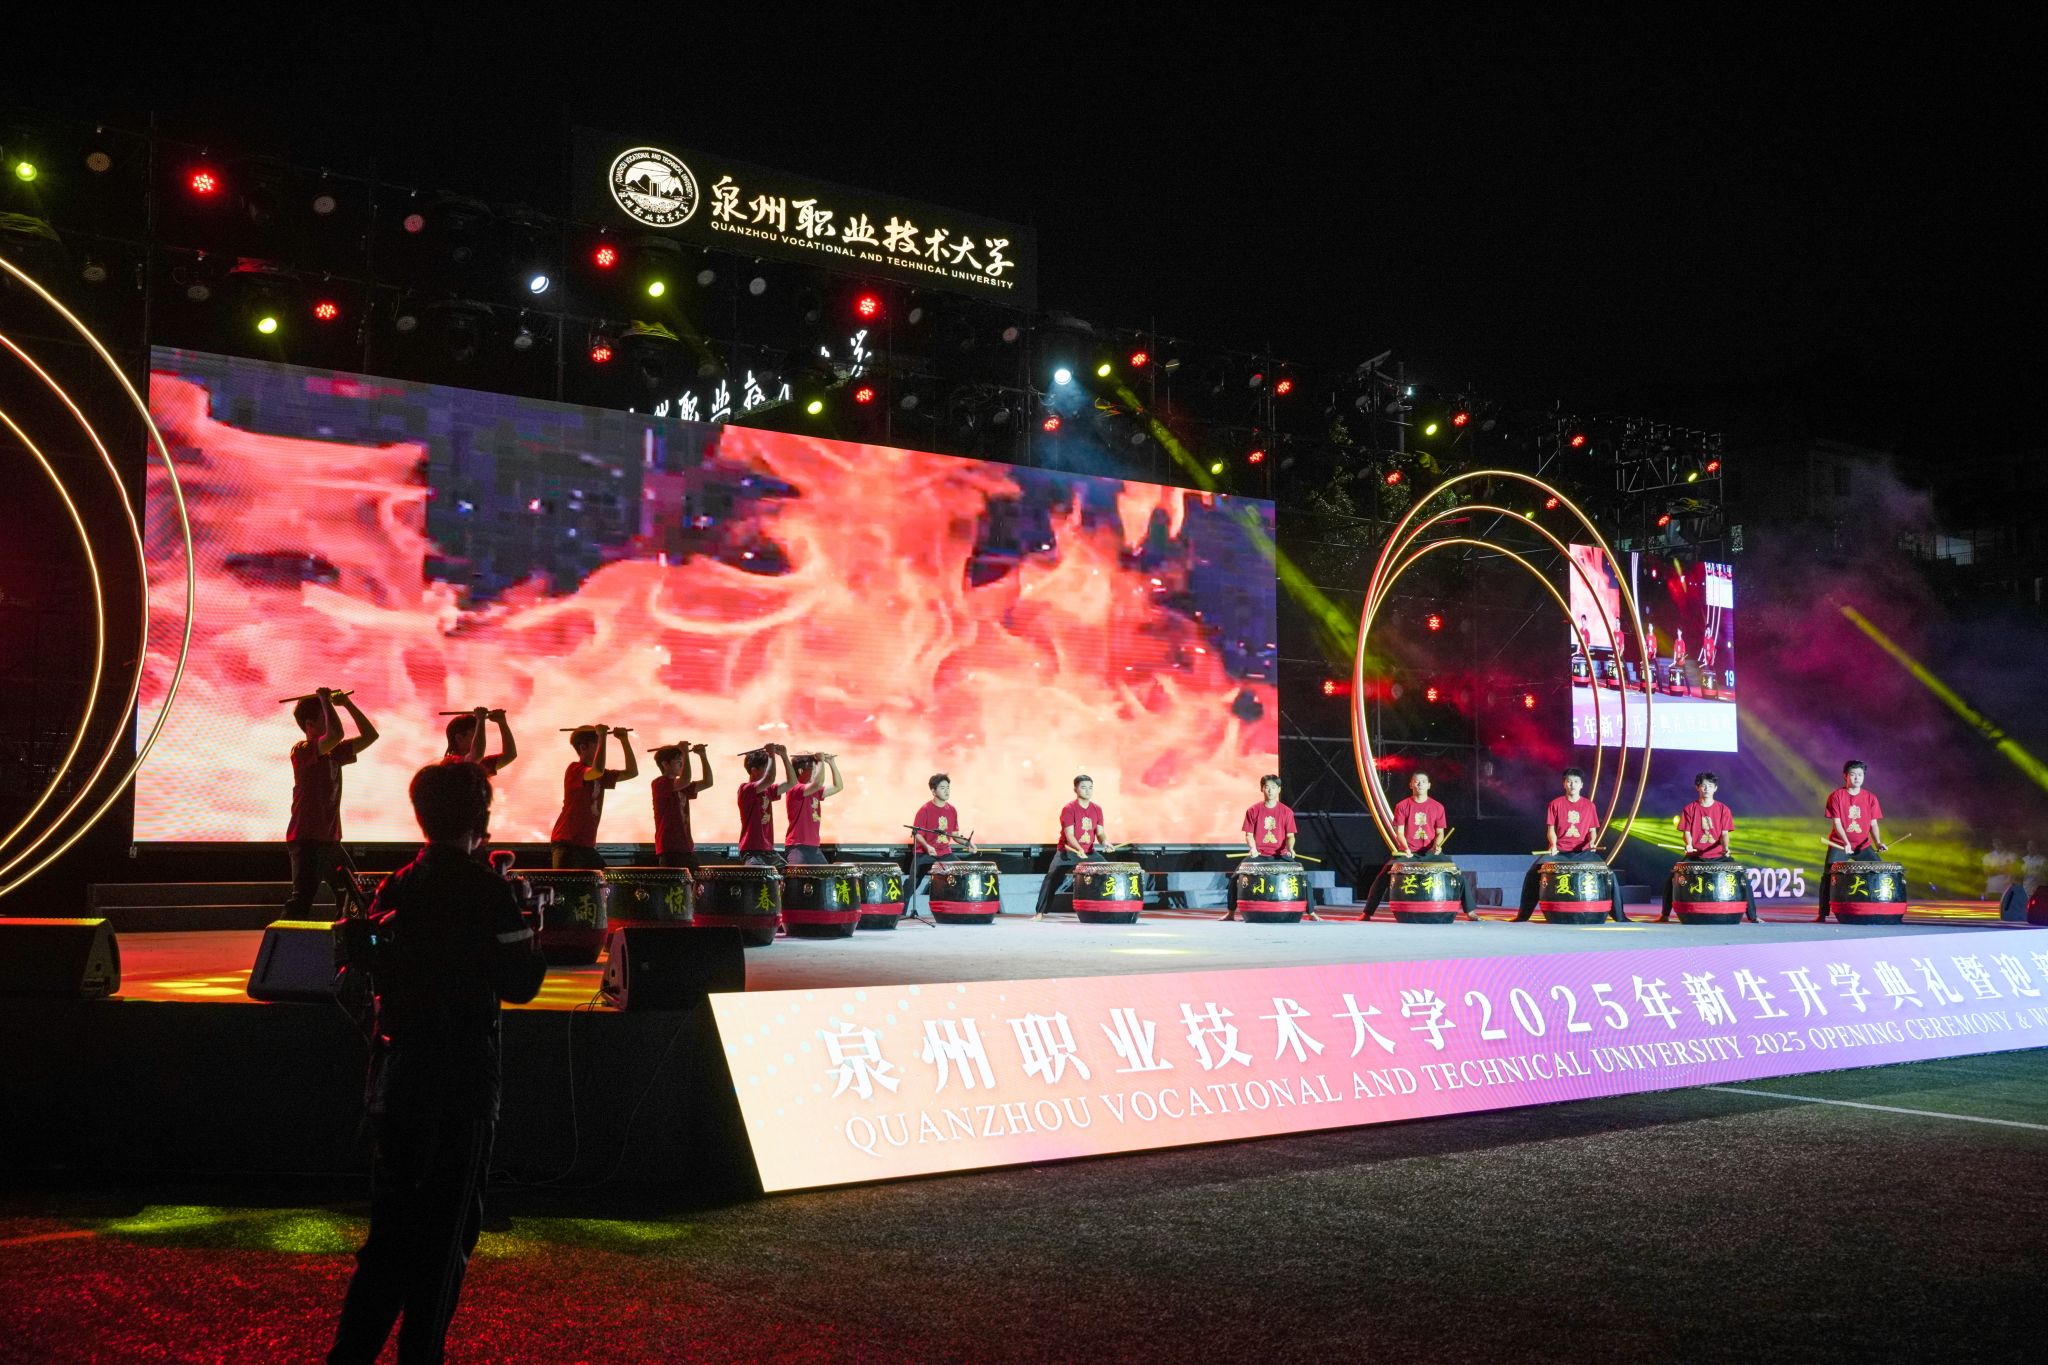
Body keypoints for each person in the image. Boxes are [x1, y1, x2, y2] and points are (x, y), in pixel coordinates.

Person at [326, 761, 546, 1365]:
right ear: (481, 817)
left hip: (396, 1077)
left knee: (389, 1237)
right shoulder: (488, 891)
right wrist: (531, 924)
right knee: (446, 1239)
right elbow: (522, 984)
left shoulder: (396, 887)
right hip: (463, 1081)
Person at [284, 687, 379, 919]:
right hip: (307, 839)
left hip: (329, 840)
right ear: (309, 725)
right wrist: (325, 700)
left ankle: (343, 935)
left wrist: (347, 704)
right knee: (302, 899)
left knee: (353, 894)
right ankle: (283, 939)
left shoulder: (335, 753)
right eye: (323, 718)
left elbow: (370, 736)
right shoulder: (302, 750)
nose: (328, 722)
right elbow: (336, 734)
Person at [1360, 771, 1477, 920]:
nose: (1420, 784)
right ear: (1411, 785)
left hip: (1430, 852)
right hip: (1408, 852)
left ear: (1429, 785)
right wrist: (1406, 848)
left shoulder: (1437, 807)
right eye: (1416, 781)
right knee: (1383, 876)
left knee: (1456, 873)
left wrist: (1437, 845)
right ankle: (1367, 912)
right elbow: (1399, 833)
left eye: (1423, 781)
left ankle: (1470, 911)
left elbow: (1440, 833)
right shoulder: (1402, 806)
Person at [1515, 767, 1626, 922]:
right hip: (1560, 851)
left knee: (1609, 874)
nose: (1572, 784)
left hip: (1583, 852)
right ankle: (1523, 915)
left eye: (1575, 781)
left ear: (1581, 785)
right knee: (1533, 873)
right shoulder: (1555, 804)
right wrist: (1553, 844)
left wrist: (1592, 842)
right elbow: (1551, 829)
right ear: (1564, 784)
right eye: (1569, 781)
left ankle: (1620, 916)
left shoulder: (1589, 806)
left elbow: (1592, 830)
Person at [1659, 771, 1759, 922]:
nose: (1707, 789)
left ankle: (1753, 916)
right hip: (1695, 856)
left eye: (1710, 786)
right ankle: (1664, 915)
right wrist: (1689, 845)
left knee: (1742, 877)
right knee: (1672, 878)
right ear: (1697, 787)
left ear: (1715, 788)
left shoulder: (1723, 809)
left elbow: (1724, 834)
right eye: (1703, 786)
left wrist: (1725, 848)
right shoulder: (1690, 809)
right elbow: (1687, 832)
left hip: (1718, 856)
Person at [548, 724, 636, 869]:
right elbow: (597, 770)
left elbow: (632, 772)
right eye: (597, 744)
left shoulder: (602, 775)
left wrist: (624, 740)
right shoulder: (575, 769)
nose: (601, 748)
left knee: (604, 879)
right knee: (568, 883)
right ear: (583, 747)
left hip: (585, 845)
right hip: (567, 842)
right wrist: (602, 736)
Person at [1229, 774, 1313, 920]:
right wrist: (1253, 849)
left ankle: (1311, 912)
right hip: (1259, 854)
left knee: (1303, 877)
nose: (1270, 790)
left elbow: (1290, 836)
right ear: (1262, 789)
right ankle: (1230, 913)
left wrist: (1290, 849)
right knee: (1235, 877)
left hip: (1280, 855)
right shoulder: (1253, 810)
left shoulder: (1286, 812)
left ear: (1279, 789)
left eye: (1273, 787)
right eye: (1267, 787)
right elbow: (1249, 835)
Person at [1816, 759, 1886, 922]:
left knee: (1880, 871)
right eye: (1853, 774)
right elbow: (1837, 823)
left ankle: (1878, 909)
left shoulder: (1870, 798)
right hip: (1840, 845)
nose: (1857, 778)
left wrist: (1878, 842)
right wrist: (1846, 842)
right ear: (1845, 776)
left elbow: (1873, 824)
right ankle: (1822, 913)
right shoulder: (1836, 796)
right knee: (1828, 875)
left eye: (1860, 775)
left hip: (1863, 845)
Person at [1035, 775, 1110, 916]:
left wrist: (1105, 842)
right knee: (1052, 878)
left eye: (1090, 787)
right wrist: (1079, 849)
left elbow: (1100, 833)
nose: (1088, 791)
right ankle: (1040, 912)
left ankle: (1103, 909)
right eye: (1084, 787)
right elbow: (1069, 835)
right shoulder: (1069, 809)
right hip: (1067, 852)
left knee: (1108, 872)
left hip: (1088, 852)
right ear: (1075, 789)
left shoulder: (1097, 809)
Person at [910, 773, 975, 917]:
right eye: (942, 788)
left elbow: (955, 835)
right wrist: (927, 846)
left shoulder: (952, 810)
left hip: (944, 852)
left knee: (963, 872)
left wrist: (968, 843)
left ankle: (962, 910)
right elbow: (917, 834)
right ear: (933, 791)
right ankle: (898, 913)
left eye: (948, 787)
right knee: (912, 884)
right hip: (925, 853)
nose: (947, 791)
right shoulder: (925, 810)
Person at [650, 742, 713, 872]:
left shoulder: (683, 786)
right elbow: (685, 779)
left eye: (682, 762)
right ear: (665, 764)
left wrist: (703, 756)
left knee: (697, 882)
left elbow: (708, 782)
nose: (682, 765)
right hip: (670, 849)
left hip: (686, 848)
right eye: (679, 762)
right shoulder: (660, 783)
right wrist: (685, 752)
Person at [737, 744, 796, 868]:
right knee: (758, 876)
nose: (768, 770)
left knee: (790, 874)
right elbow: (770, 778)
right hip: (752, 850)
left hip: (768, 850)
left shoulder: (768, 790)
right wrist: (771, 755)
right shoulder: (746, 789)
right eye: (765, 767)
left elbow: (792, 782)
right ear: (754, 770)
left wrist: (784, 756)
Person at [784, 752, 844, 866]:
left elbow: (838, 786)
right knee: (796, 876)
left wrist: (831, 763)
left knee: (827, 876)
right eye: (813, 770)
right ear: (801, 771)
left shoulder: (815, 790)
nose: (816, 773)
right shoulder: (794, 788)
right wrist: (821, 761)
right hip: (797, 847)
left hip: (814, 848)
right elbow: (818, 783)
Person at [442, 706, 516, 777]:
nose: (481, 737)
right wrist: (480, 721)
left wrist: (502, 723)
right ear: (459, 738)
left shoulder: (479, 764)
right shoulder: (451, 763)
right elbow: (476, 755)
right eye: (475, 733)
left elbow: (510, 755)